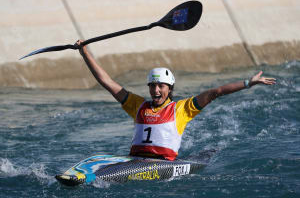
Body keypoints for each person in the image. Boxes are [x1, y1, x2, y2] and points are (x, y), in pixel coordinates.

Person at [75, 40, 276, 161]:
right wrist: (84, 52)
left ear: (169, 89)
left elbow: (217, 91)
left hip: (165, 163)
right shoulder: (137, 105)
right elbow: (107, 82)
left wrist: (249, 82)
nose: (155, 90)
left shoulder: (181, 109)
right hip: (134, 161)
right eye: (152, 86)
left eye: (161, 86)